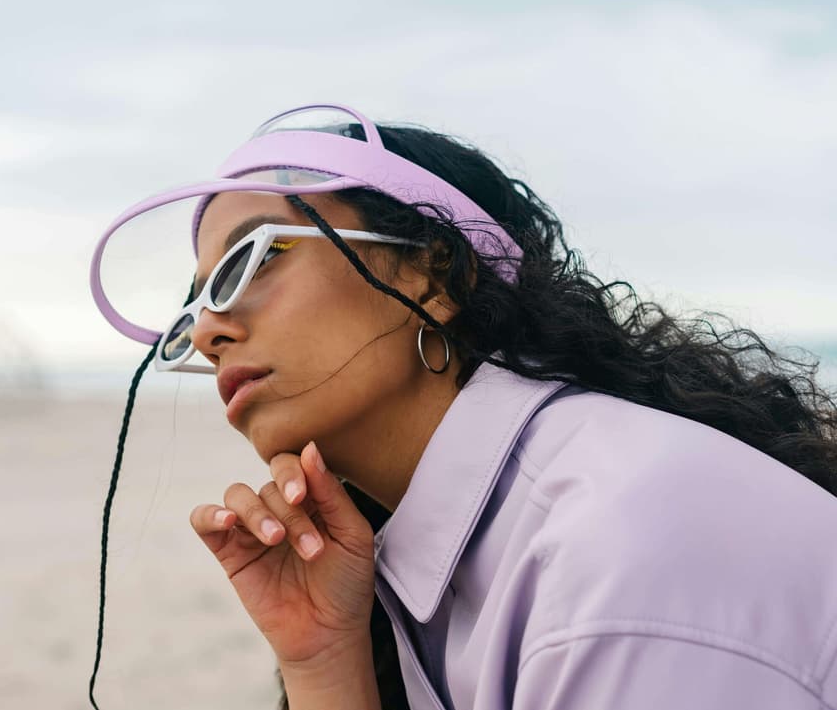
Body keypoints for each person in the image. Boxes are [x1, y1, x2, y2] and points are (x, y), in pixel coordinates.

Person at [87, 104, 837, 710]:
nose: (209, 332)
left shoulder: (617, 550)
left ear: (433, 272)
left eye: (256, 259)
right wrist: (322, 661)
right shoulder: (428, 565)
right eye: (195, 307)